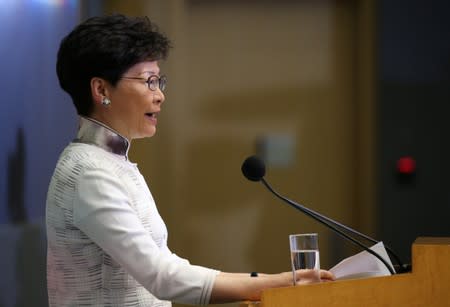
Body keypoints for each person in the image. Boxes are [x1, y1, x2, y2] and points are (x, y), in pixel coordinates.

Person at [46, 14, 334, 306]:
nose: (159, 95)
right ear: (102, 90)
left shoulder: (111, 161)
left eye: (159, 82)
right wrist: (280, 283)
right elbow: (163, 277)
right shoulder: (89, 171)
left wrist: (269, 283)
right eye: (148, 82)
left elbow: (169, 265)